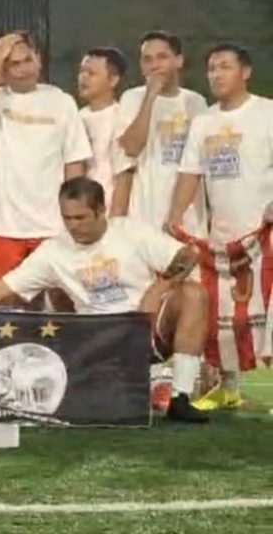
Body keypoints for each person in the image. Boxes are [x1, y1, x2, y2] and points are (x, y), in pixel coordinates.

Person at [0, 177, 209, 423]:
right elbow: (1, 288)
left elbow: (188, 255)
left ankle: (181, 398)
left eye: (81, 218)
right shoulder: (54, 251)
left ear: (101, 211)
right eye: (67, 218)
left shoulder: (129, 231)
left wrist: (158, 289)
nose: (73, 226)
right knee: (54, 294)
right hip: (97, 339)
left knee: (194, 294)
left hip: (145, 327)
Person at [167, 43, 273, 411]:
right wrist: (175, 214)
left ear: (245, 72)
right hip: (224, 235)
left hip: (266, 233)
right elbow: (190, 173)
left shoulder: (267, 113)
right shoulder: (204, 122)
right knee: (224, 312)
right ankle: (228, 386)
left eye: (224, 67)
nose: (216, 74)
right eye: (212, 68)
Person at [0, 33, 92, 287]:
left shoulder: (62, 102)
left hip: (51, 224)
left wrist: (74, 214)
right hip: (1, 224)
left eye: (27, 60)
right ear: (4, 69)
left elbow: (74, 161)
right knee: (0, 302)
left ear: (39, 60)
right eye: (14, 64)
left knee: (60, 300)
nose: (23, 69)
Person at [111, 31, 207, 233]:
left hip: (189, 217)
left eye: (162, 57)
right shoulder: (132, 98)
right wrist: (150, 97)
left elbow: (200, 163)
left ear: (178, 60)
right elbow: (131, 147)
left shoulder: (197, 102)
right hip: (145, 215)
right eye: (147, 59)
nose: (154, 65)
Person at [77, 47, 127, 207]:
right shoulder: (77, 117)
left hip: (109, 204)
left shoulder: (122, 117)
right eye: (82, 71)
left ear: (113, 80)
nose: (83, 78)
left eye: (91, 73)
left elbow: (124, 173)